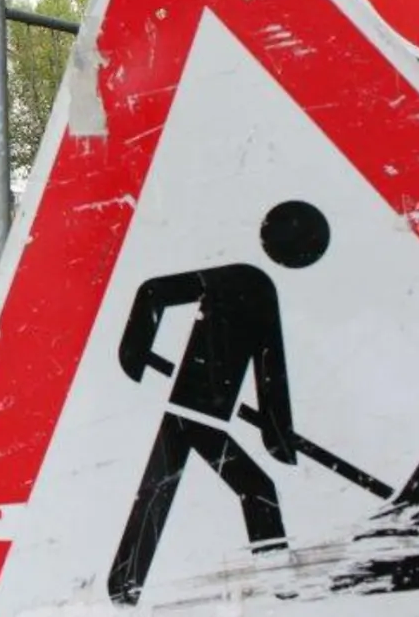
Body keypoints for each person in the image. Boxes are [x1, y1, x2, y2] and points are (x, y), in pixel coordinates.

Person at [107, 200, 331, 606]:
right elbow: (153, 292)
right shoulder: (245, 280)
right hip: (192, 412)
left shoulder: (259, 288)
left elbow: (269, 373)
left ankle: (123, 585)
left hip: (200, 413)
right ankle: (280, 583)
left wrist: (277, 432)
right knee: (252, 489)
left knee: (160, 490)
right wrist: (134, 352)